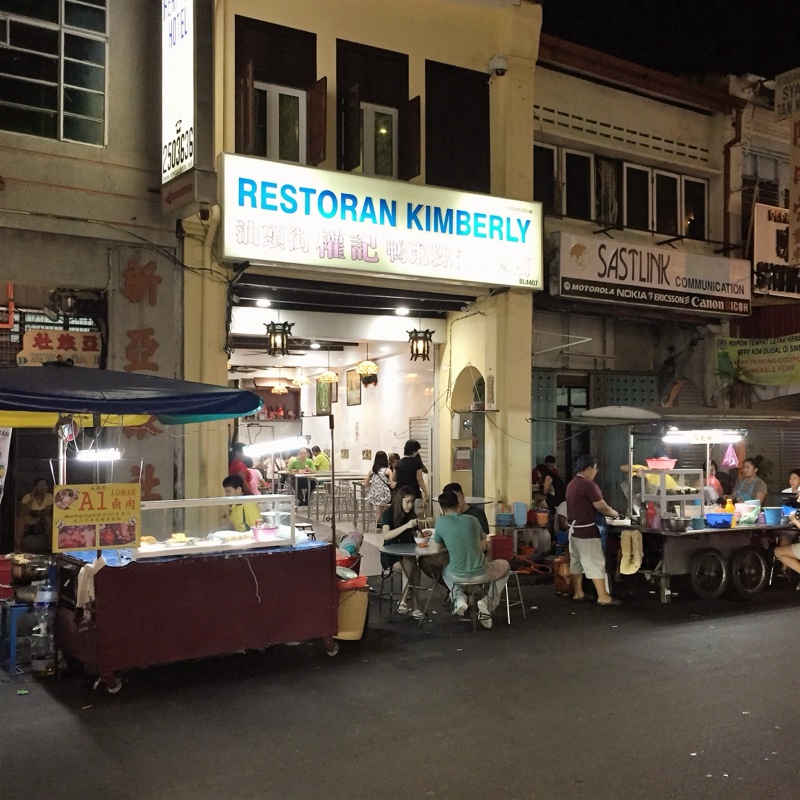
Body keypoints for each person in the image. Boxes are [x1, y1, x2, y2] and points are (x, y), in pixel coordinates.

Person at [433, 490, 510, 628]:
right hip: (482, 572)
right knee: (505, 566)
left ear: (442, 509)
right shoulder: (473, 520)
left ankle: (459, 597)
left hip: (457, 575)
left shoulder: (441, 523)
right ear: (458, 505)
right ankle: (487, 602)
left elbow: (438, 548)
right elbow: (482, 543)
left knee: (444, 570)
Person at [566, 454, 622, 606]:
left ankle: (578, 593)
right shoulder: (588, 484)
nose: (596, 472)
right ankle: (603, 597)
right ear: (589, 468)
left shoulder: (572, 483)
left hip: (574, 530)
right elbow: (601, 506)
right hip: (587, 531)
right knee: (595, 563)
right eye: (595, 469)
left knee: (576, 562)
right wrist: (614, 514)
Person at [380, 486, 423, 619]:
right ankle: (411, 605)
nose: (410, 506)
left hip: (407, 555)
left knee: (412, 566)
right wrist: (406, 526)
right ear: (400, 501)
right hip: (390, 556)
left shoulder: (411, 516)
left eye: (412, 502)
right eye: (407, 502)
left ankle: (406, 603)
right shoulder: (388, 514)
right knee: (411, 567)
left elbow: (416, 534)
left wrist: (421, 533)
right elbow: (386, 536)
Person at [16, 477, 54, 553]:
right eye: (40, 485)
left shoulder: (49, 496)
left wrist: (40, 513)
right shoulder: (27, 497)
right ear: (35, 487)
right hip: (29, 521)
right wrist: (32, 499)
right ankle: (17, 546)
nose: (43, 488)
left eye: (45, 485)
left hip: (41, 521)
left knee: (48, 519)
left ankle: (51, 544)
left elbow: (48, 511)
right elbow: (22, 512)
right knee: (19, 519)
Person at [393, 439, 429, 515]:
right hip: (413, 492)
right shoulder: (416, 462)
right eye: (417, 450)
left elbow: (394, 478)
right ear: (414, 451)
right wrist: (426, 492)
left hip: (400, 492)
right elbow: (419, 479)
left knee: (401, 514)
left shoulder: (399, 462)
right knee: (413, 514)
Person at [364, 450, 395, 524]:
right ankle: (381, 521)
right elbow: (392, 485)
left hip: (373, 496)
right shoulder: (388, 471)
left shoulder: (372, 471)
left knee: (380, 507)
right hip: (385, 496)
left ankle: (378, 520)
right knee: (388, 503)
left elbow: (365, 484)